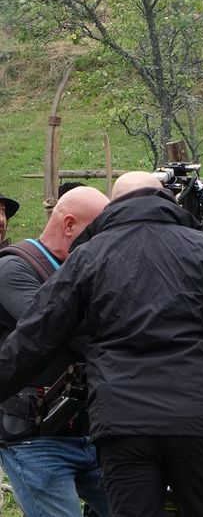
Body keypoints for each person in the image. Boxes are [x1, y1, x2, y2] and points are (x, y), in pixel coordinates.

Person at [0, 172, 203, 517]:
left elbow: (35, 336)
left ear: (115, 204)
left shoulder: (90, 255)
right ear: (165, 199)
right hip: (194, 418)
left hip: (123, 422)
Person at [0, 186, 111, 517]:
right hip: (35, 436)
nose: (107, 241)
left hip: (90, 430)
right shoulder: (12, 269)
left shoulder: (86, 269)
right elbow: (57, 330)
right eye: (100, 230)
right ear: (70, 225)